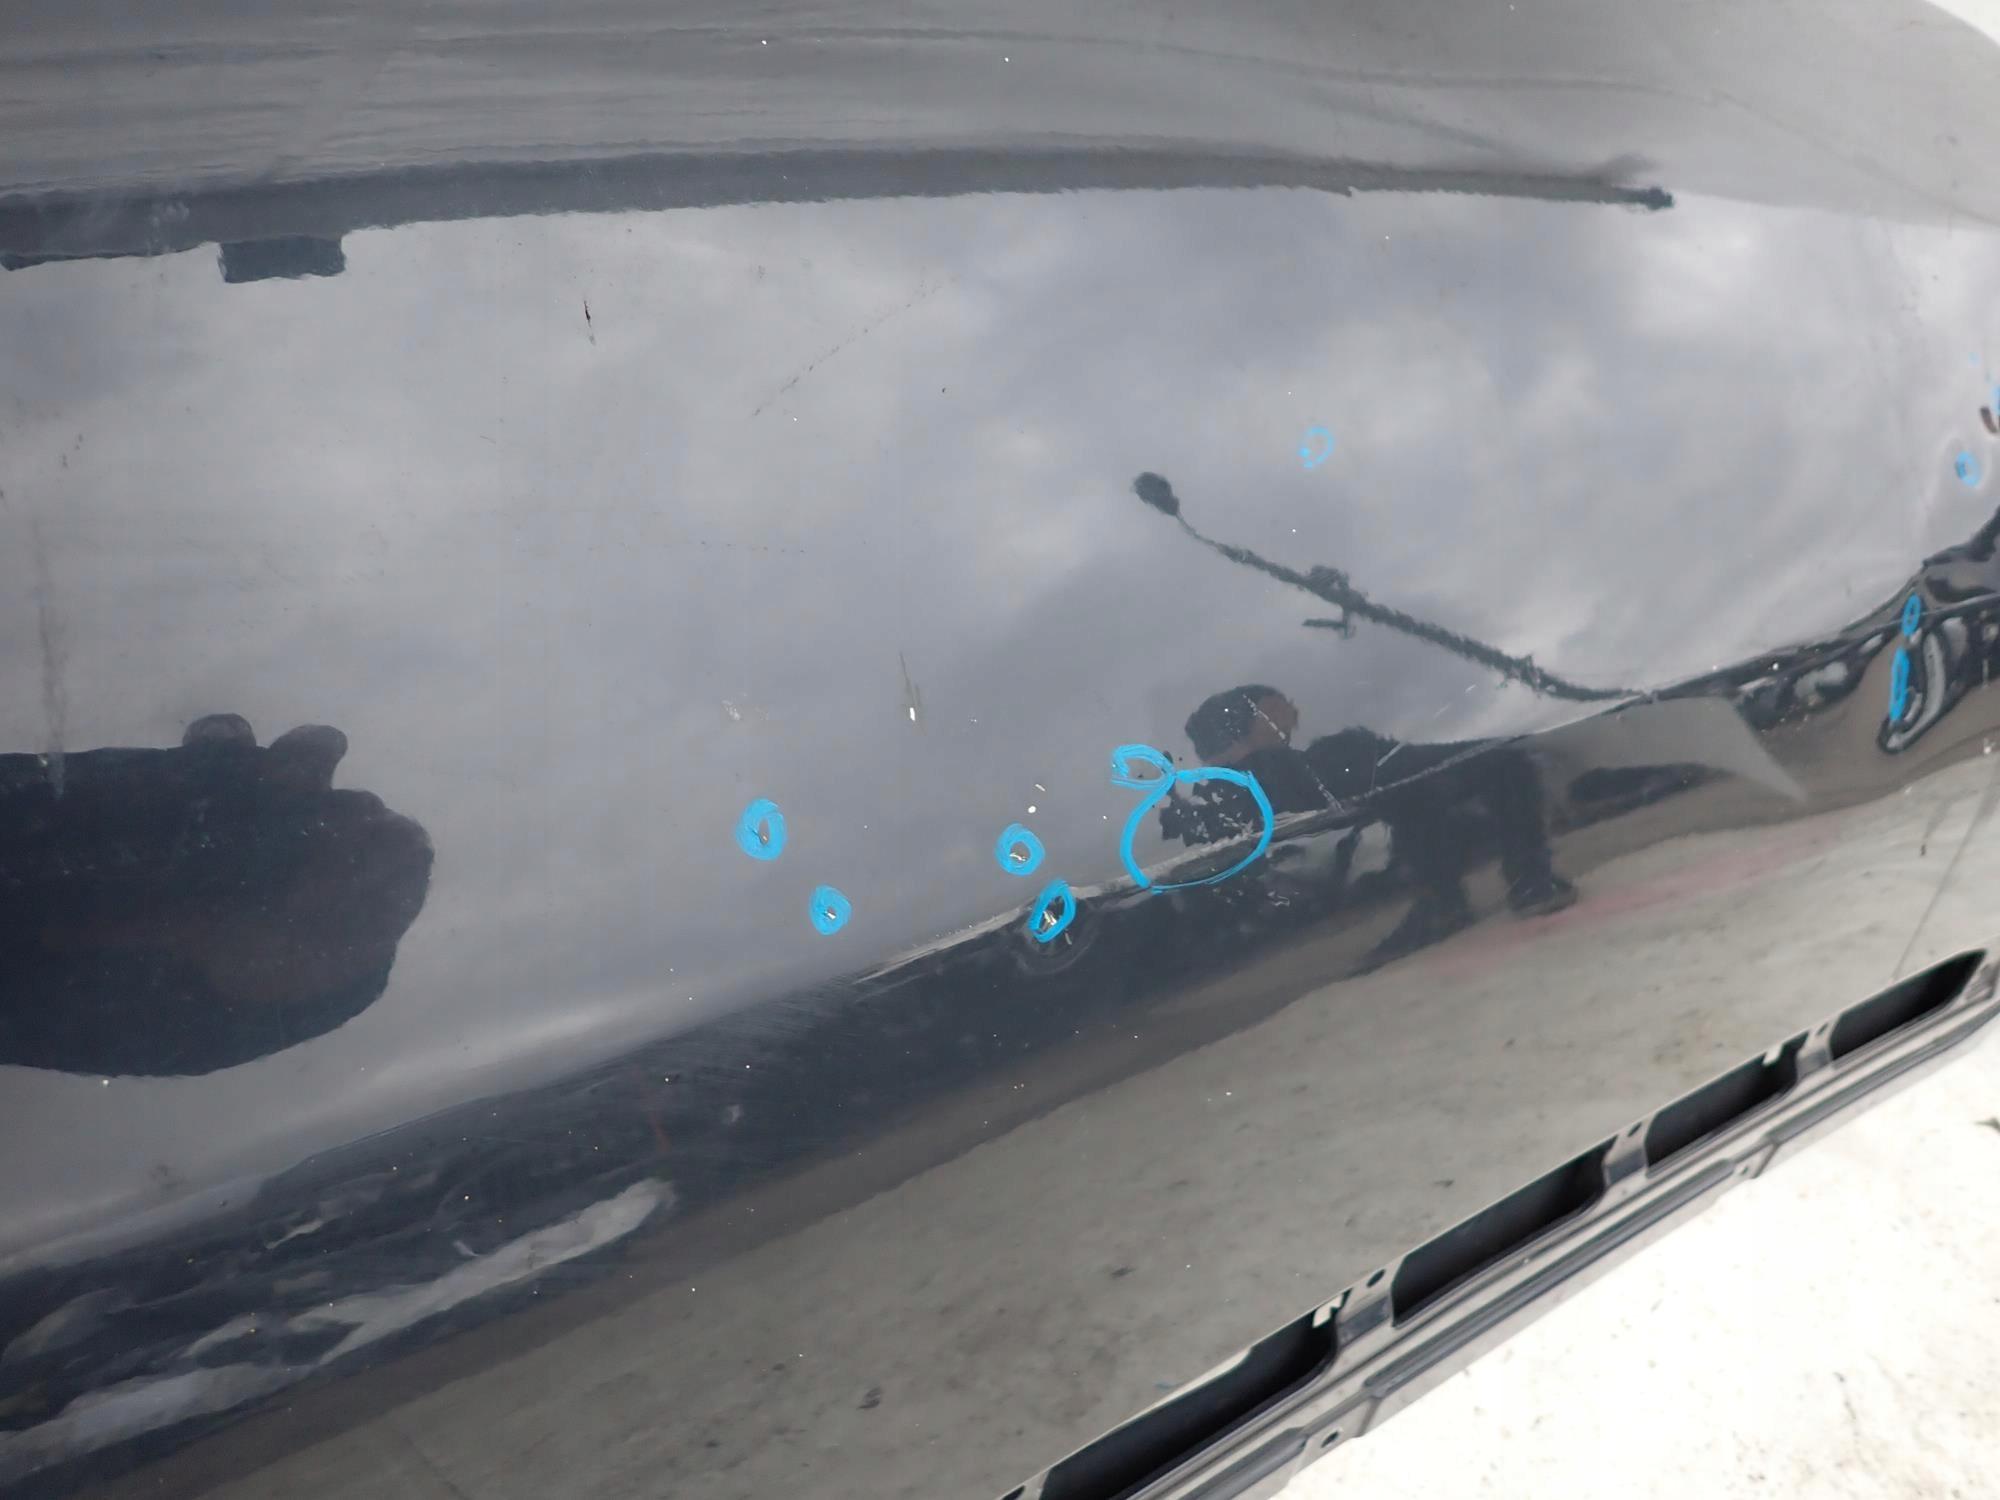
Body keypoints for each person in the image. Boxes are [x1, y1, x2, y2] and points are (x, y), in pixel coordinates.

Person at [0, 714, 433, 1075]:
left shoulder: (244, 868)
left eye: (367, 837)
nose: (365, 802)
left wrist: (229, 775)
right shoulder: (256, 823)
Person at [1168, 685, 1576, 970]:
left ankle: (1455, 898)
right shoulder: (1264, 771)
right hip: (1353, 774)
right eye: (1276, 705)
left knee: (1481, 768)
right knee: (1500, 765)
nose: (1291, 709)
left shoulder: (1270, 770)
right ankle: (1514, 882)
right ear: (1256, 716)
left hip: (1362, 771)